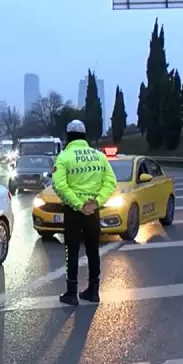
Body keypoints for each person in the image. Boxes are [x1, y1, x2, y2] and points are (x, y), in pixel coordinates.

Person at [50, 120, 118, 306]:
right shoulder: (99, 156)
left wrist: (78, 204)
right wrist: (95, 202)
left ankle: (71, 293)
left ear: (69, 135)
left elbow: (59, 185)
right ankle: (93, 291)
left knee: (72, 250)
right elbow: (111, 183)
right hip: (92, 211)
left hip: (73, 211)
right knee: (92, 250)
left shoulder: (64, 157)